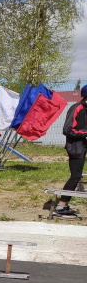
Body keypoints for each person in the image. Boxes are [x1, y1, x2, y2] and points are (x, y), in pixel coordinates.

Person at [54, 85, 87, 216]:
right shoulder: (77, 108)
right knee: (76, 176)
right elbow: (67, 130)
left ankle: (63, 204)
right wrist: (84, 133)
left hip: (83, 145)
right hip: (75, 147)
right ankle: (61, 205)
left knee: (77, 176)